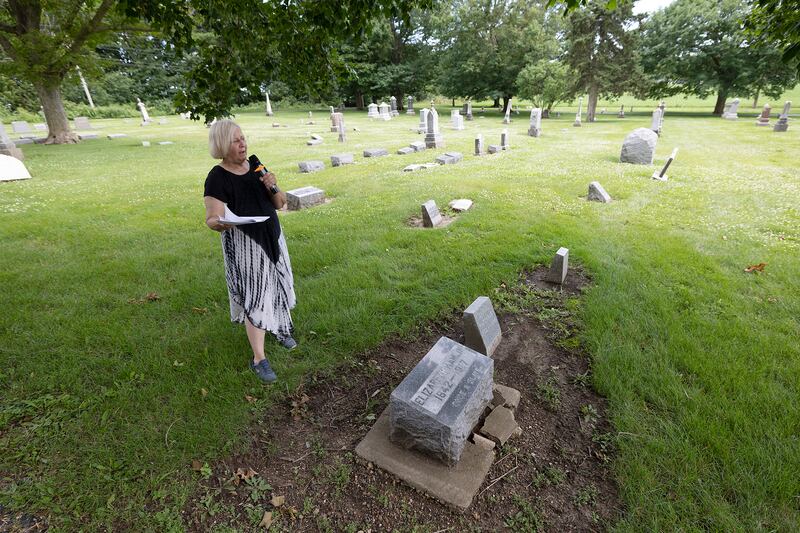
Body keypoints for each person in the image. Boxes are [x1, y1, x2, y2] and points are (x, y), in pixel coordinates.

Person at [203, 119, 297, 383]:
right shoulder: (217, 177)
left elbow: (280, 203)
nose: (243, 144)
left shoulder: (256, 166)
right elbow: (212, 218)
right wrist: (219, 223)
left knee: (277, 284)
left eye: (243, 138)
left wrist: (272, 185)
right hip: (246, 243)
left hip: (272, 235)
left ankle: (280, 328)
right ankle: (259, 359)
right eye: (236, 140)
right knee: (255, 294)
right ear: (223, 145)